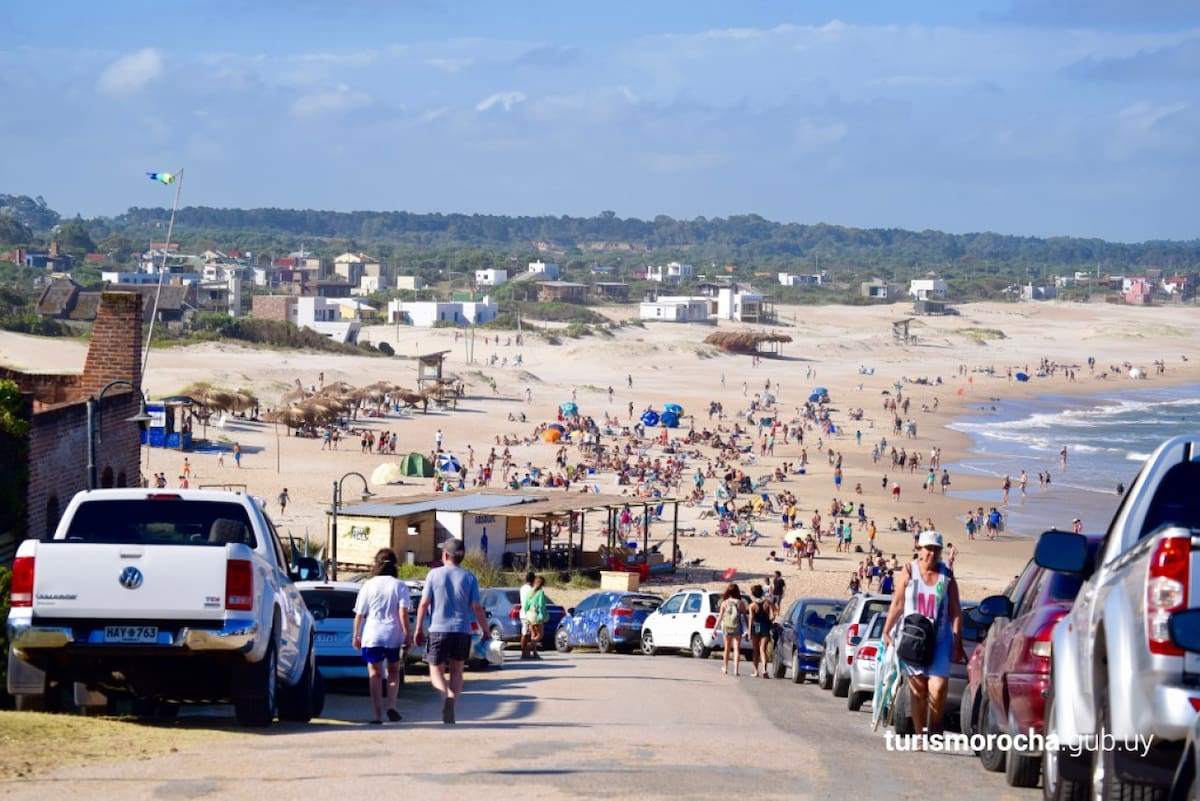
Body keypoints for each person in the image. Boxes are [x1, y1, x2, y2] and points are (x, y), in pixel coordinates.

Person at [882, 530, 964, 746]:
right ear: (919, 550)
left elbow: (956, 609)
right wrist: (886, 630)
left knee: (937, 688)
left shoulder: (947, 575)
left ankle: (934, 725)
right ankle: (919, 736)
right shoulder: (909, 570)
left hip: (940, 640)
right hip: (913, 639)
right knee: (918, 690)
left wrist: (957, 641)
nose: (932, 554)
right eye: (928, 549)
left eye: (936, 550)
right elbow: (898, 603)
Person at [414, 538, 490, 724]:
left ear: (445, 555)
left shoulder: (433, 575)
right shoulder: (469, 577)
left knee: (436, 671)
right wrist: (486, 630)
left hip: (438, 629)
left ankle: (446, 696)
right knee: (457, 671)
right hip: (462, 631)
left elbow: (424, 603)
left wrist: (418, 629)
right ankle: (452, 704)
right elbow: (476, 607)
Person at [352, 548, 411, 725]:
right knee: (393, 672)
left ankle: (377, 715)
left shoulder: (368, 585)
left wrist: (356, 635)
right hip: (393, 634)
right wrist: (407, 634)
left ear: (376, 564)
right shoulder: (399, 585)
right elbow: (402, 612)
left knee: (375, 675)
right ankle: (391, 705)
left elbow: (360, 614)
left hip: (372, 634)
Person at [717, 583, 746, 676]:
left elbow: (720, 617)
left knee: (727, 648)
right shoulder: (741, 603)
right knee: (737, 648)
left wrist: (714, 629)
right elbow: (745, 617)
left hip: (727, 626)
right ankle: (736, 670)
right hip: (737, 626)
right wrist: (748, 629)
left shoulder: (724, 603)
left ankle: (725, 667)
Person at [748, 584, 775, 679]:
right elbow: (773, 615)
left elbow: (751, 619)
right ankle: (764, 669)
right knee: (763, 649)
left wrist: (748, 632)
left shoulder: (752, 605)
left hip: (756, 627)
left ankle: (756, 671)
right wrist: (770, 621)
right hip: (765, 626)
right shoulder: (767, 603)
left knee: (755, 650)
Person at [522, 575, 548, 658]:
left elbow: (526, 605)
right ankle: (528, 648)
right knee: (540, 635)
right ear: (542, 584)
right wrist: (542, 615)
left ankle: (535, 653)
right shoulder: (540, 592)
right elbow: (541, 605)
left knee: (533, 634)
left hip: (529, 615)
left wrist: (526, 613)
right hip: (536, 615)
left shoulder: (531, 592)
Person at [518, 571, 537, 659]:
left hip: (523, 613)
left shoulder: (522, 588)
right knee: (533, 633)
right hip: (530, 613)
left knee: (525, 633)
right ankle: (531, 652)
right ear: (533, 580)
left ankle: (524, 652)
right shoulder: (531, 589)